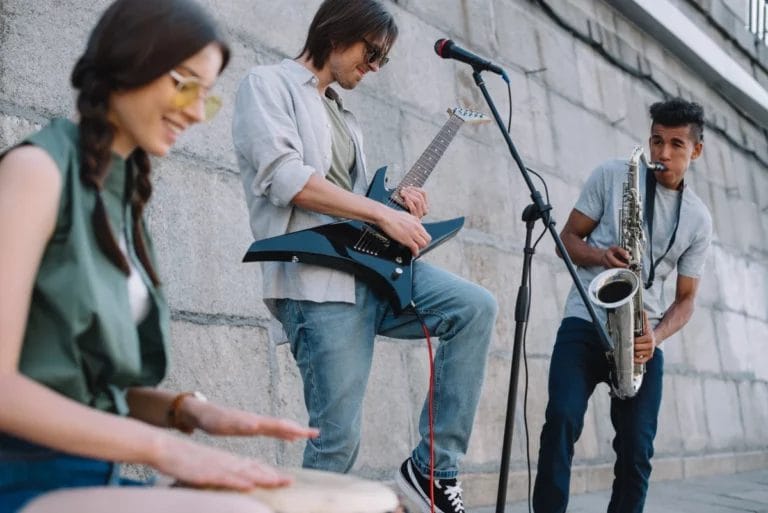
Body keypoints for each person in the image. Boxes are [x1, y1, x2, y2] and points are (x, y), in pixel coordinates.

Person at [0, 1, 319, 512]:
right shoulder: (37, 171)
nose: (195, 112)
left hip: (88, 480)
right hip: (21, 483)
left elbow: (83, 390)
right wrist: (166, 450)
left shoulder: (119, 199)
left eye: (207, 98)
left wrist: (189, 412)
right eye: (184, 84)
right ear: (131, 61)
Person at [232, 1, 498, 512]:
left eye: (384, 60)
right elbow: (286, 179)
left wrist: (393, 204)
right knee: (337, 442)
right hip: (314, 283)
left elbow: (351, 207)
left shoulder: (346, 119)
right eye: (371, 52)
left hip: (369, 274)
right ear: (336, 35)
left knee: (474, 307)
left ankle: (432, 469)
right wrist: (382, 217)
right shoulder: (267, 85)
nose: (374, 66)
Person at [532, 98, 713, 513]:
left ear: (696, 151)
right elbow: (567, 241)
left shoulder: (699, 220)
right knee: (561, 420)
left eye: (675, 145)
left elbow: (686, 300)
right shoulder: (613, 176)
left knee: (636, 451)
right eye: (656, 141)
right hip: (585, 320)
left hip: (639, 337)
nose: (662, 154)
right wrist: (600, 257)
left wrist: (657, 336)